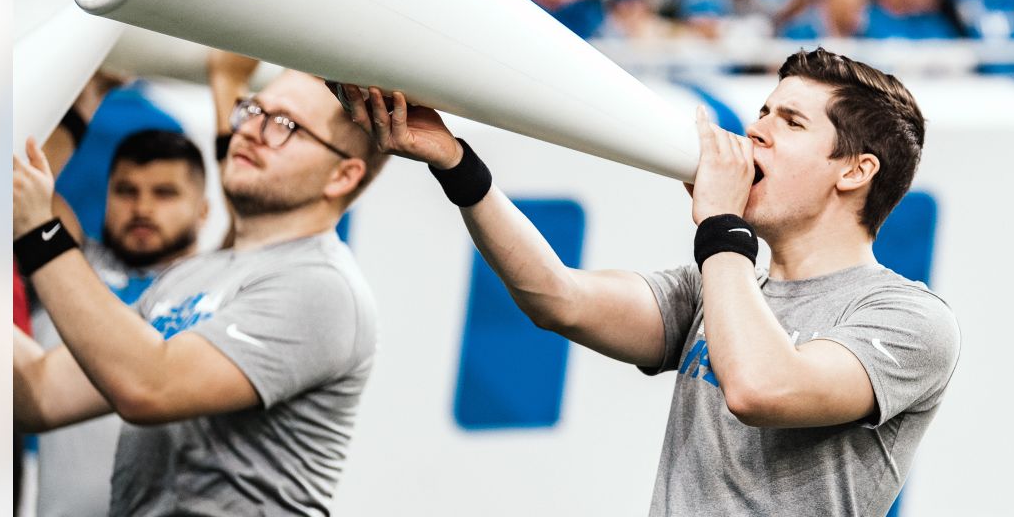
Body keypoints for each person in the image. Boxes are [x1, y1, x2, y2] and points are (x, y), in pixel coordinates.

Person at [340, 47, 959, 516]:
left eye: (791, 122)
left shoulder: (908, 319)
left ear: (855, 171)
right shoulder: (722, 284)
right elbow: (558, 299)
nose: (757, 129)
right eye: (763, 110)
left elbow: (762, 388)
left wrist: (722, 224)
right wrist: (458, 164)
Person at [13, 70, 388, 515]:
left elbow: (148, 387)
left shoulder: (323, 285)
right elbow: (41, 392)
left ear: (342, 176)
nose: (250, 130)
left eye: (285, 124)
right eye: (253, 109)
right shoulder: (192, 278)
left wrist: (40, 233)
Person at [32, 129, 210, 517]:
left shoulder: (217, 289)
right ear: (107, 197)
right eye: (127, 191)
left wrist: (226, 84)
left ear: (203, 210)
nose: (142, 207)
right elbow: (19, 177)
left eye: (165, 193)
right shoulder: (66, 267)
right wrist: (89, 95)